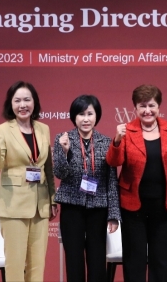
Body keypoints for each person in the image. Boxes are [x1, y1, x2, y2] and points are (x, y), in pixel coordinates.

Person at [106, 84, 167, 282]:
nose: (147, 110)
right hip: (133, 206)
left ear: (159, 106)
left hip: (164, 205)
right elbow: (114, 162)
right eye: (142, 106)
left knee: (161, 260)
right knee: (134, 260)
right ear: (135, 108)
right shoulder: (126, 131)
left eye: (151, 105)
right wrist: (116, 140)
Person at [0, 80, 58, 282]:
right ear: (11, 104)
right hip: (13, 205)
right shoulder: (1, 130)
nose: (22, 105)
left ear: (34, 103)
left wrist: (52, 199)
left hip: (40, 205)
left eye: (27, 99)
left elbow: (48, 167)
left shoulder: (43, 129)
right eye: (17, 100)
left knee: (37, 266)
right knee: (16, 265)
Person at [52, 95, 121, 282]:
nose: (86, 119)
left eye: (90, 114)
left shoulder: (107, 143)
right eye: (81, 114)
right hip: (72, 207)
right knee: (74, 261)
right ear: (74, 117)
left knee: (97, 261)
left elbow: (112, 180)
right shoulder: (63, 139)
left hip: (98, 209)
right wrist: (65, 152)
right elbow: (59, 173)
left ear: (96, 116)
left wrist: (113, 214)